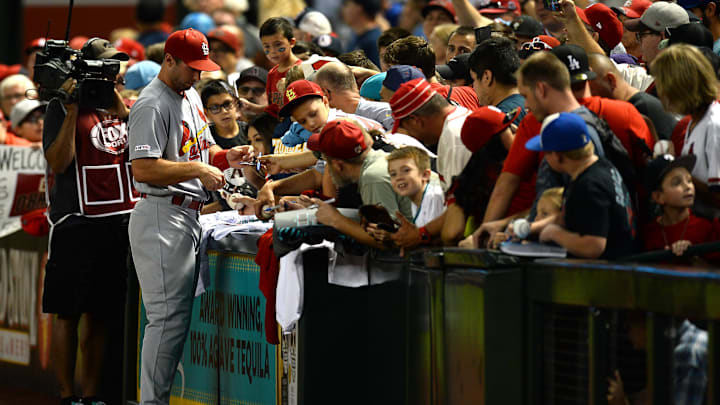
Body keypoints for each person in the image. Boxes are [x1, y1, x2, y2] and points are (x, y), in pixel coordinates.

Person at [128, 28, 253, 405]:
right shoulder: (151, 103)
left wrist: (222, 158)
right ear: (169, 60)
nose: (198, 74)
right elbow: (145, 169)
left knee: (175, 320)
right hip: (161, 215)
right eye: (192, 66)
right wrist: (199, 170)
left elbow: (199, 148)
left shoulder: (191, 94)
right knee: (166, 320)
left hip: (187, 216)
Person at [41, 38, 133, 405]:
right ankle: (67, 394)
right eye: (105, 66)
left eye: (114, 67)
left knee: (100, 313)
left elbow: (132, 134)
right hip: (75, 222)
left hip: (116, 221)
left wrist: (112, 97)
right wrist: (73, 106)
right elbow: (59, 162)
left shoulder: (116, 103)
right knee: (68, 314)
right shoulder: (58, 107)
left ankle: (93, 393)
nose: (111, 72)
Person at [529, 113, 636, 259]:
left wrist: (554, 234)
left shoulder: (589, 186)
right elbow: (570, 216)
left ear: (556, 155)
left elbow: (593, 246)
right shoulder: (601, 166)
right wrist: (530, 229)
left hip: (607, 273)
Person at [308, 119, 412, 248]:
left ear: (337, 165)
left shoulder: (373, 178)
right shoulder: (380, 159)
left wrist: (335, 220)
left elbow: (385, 242)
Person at [652, 44, 720, 218]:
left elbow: (717, 196)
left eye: (662, 83)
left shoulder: (714, 125)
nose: (659, 91)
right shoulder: (696, 119)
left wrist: (676, 167)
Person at [642, 154, 720, 265]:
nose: (688, 186)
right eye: (677, 182)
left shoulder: (708, 226)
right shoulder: (650, 233)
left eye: (689, 180)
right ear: (659, 197)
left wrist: (692, 256)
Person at [588, 52, 677, 141]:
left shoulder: (642, 109)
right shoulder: (634, 107)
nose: (587, 96)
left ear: (611, 80)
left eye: (590, 89)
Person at [381, 36, 481, 110]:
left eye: (395, 71)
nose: (391, 77)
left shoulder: (417, 106)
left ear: (414, 72)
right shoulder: (470, 93)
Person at [314, 61, 395, 131]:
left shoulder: (385, 111)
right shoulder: (384, 110)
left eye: (317, 96)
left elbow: (403, 145)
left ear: (325, 94)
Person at [468, 37, 526, 122]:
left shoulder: (500, 119)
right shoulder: (531, 104)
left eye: (474, 79)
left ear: (487, 77)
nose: (473, 86)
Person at [485, 187, 564, 249]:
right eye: (537, 213)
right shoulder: (529, 238)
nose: (536, 219)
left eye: (545, 214)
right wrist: (505, 242)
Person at [253, 17, 301, 119]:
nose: (273, 51)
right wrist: (251, 108)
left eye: (278, 44)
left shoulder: (302, 69)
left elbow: (303, 106)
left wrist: (287, 91)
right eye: (267, 46)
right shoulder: (272, 73)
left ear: (292, 42)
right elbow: (273, 109)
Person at [386, 146, 444, 227]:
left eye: (406, 170)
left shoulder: (435, 198)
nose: (399, 177)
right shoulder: (415, 202)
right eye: (393, 174)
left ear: (425, 175)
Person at [201, 79, 248, 148]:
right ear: (206, 113)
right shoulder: (205, 138)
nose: (224, 111)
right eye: (215, 108)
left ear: (236, 104)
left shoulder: (249, 131)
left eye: (227, 104)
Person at [342, 0, 383, 67]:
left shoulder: (375, 41)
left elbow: (379, 74)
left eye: (347, 5)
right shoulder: (355, 35)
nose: (344, 10)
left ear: (358, 9)